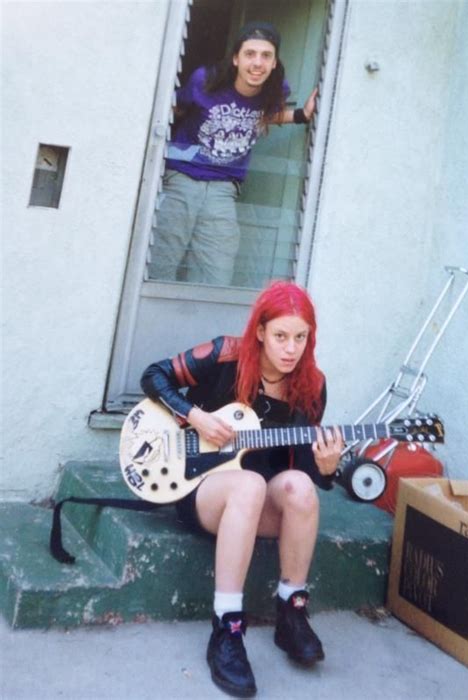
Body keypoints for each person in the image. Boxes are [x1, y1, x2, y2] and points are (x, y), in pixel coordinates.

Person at [141, 281, 343, 698]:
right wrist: (194, 414)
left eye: (300, 338)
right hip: (199, 490)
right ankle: (227, 628)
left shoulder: (311, 388)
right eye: (281, 336)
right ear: (261, 332)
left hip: (255, 509)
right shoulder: (224, 354)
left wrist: (326, 469)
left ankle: (292, 611)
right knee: (249, 485)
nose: (291, 349)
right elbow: (153, 375)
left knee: (301, 487)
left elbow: (303, 467)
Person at [149, 21, 318, 286]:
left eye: (266, 56)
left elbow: (260, 117)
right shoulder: (205, 80)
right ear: (236, 58)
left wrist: (300, 115)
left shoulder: (275, 89)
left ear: (275, 63)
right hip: (182, 176)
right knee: (160, 263)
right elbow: (174, 109)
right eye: (250, 54)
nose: (257, 63)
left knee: (215, 273)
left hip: (224, 187)